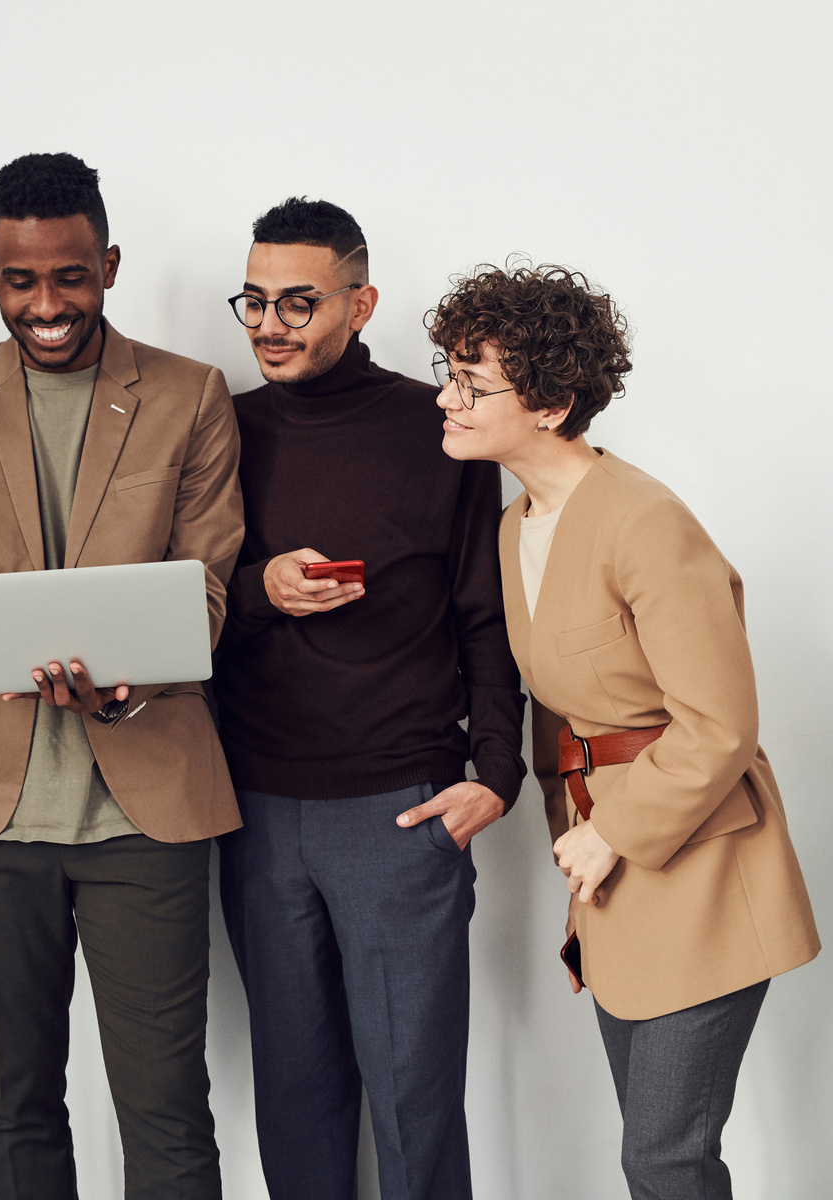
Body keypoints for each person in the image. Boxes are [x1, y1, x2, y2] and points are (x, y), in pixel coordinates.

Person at [0, 152, 243, 1200]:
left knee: (166, 1109)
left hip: (147, 808)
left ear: (109, 265)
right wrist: (0, 627)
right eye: (20, 280)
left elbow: (209, 588)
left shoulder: (190, 393)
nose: (46, 305)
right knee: (16, 1103)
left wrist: (129, 672)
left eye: (70, 277)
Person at [431, 262, 817, 1200]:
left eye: (472, 384)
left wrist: (610, 833)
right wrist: (578, 840)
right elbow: (563, 711)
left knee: (664, 1159)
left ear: (552, 405)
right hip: (608, 875)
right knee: (656, 1159)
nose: (445, 398)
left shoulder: (646, 522)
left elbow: (720, 725)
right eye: (449, 374)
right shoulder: (516, 525)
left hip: (704, 866)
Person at [212, 198, 525, 1200]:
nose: (270, 324)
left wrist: (498, 772)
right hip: (256, 808)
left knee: (414, 1106)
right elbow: (178, 601)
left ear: (361, 303)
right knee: (295, 1105)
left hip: (401, 807)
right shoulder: (220, 428)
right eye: (254, 301)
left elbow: (485, 613)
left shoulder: (435, 429)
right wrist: (260, 591)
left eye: (298, 302)